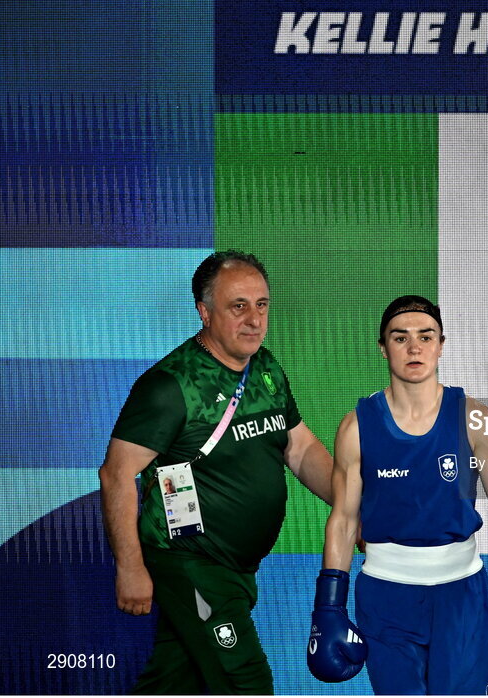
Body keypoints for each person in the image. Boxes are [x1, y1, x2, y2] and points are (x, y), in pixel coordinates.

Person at [99, 250, 335, 694]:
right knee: (246, 682)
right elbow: (116, 474)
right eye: (238, 306)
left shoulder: (265, 368)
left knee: (172, 680)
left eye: (262, 305)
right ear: (204, 312)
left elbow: (300, 448)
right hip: (190, 562)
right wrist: (129, 567)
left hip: (237, 568)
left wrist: (351, 506)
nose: (254, 320)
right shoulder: (168, 386)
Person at [307, 296, 488, 695]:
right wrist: (329, 606)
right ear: (382, 347)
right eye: (400, 337)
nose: (414, 348)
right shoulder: (356, 427)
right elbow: (343, 520)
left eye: (426, 337)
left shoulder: (474, 417)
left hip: (462, 596)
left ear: (441, 344)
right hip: (385, 597)